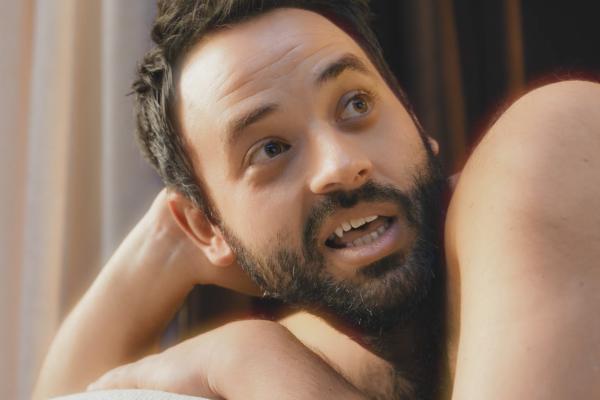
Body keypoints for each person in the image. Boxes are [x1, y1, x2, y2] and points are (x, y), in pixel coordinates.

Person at [34, 1, 600, 399]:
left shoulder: (551, 144)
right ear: (208, 230)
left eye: (356, 105)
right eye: (271, 147)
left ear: (417, 124)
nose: (340, 166)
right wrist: (168, 242)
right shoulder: (330, 345)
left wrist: (255, 361)